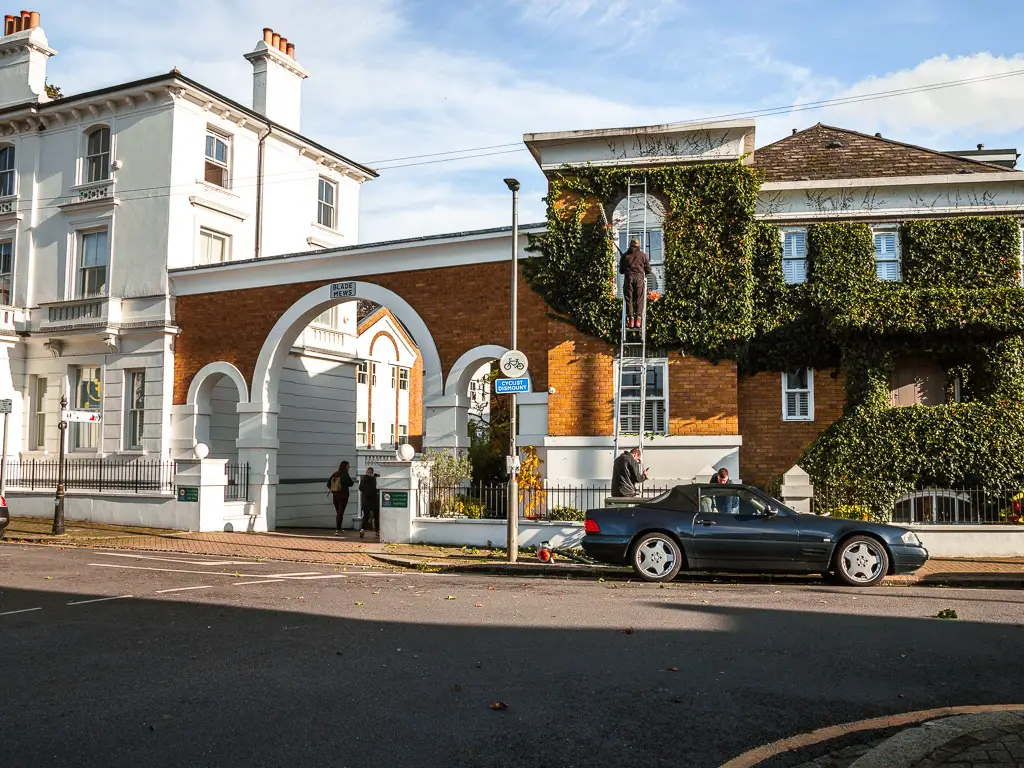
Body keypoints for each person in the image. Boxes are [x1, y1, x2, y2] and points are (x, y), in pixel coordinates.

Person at [618, 237, 653, 329]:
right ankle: (638, 320)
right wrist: (643, 271)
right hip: (639, 279)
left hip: (628, 279)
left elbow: (621, 271)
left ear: (630, 245)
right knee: (639, 299)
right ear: (638, 245)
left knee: (629, 300)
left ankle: (630, 321)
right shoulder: (643, 255)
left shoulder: (625, 256)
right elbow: (649, 270)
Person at [326, 461, 354, 535]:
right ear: (345, 467)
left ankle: (339, 528)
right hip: (343, 496)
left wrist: (334, 491)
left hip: (335, 496)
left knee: (338, 512)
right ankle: (337, 530)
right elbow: (351, 483)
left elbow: (328, 484)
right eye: (348, 466)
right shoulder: (345, 474)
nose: (349, 468)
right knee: (340, 513)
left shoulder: (335, 474)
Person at [359, 467, 380, 539]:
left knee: (365, 516)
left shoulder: (363, 479)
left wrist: (365, 493)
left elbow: (360, 488)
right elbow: (376, 488)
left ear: (366, 472)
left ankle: (362, 529)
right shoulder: (374, 479)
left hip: (366, 501)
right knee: (376, 517)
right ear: (372, 472)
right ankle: (376, 532)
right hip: (374, 501)